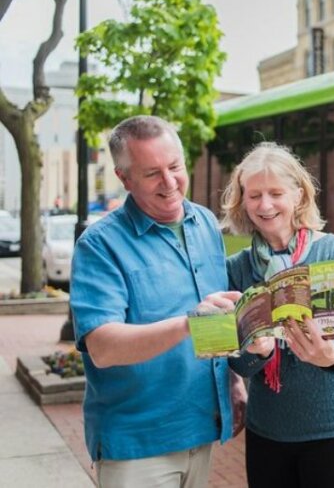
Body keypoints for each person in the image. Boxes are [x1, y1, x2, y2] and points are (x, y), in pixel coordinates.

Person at [70, 115, 245, 487]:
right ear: (124, 178)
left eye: (175, 167)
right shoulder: (99, 245)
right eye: (152, 173)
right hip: (137, 445)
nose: (169, 183)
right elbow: (102, 347)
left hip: (202, 429)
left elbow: (215, 314)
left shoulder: (205, 224)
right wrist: (188, 323)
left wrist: (232, 381)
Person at [216, 141, 334, 487]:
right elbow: (237, 364)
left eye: (275, 193)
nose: (265, 205)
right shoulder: (237, 269)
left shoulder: (333, 249)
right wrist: (257, 353)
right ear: (242, 201)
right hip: (269, 429)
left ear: (298, 195)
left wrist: (327, 355)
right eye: (254, 195)